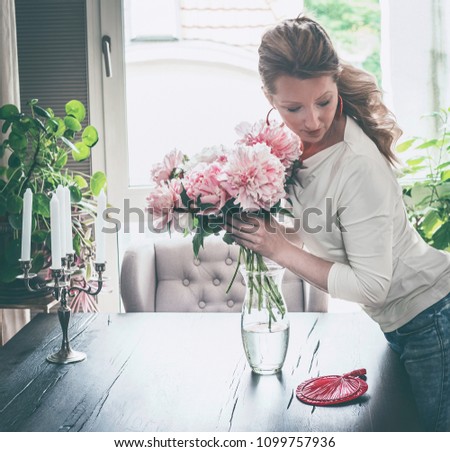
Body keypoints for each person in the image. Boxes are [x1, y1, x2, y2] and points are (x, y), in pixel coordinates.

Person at [225, 15, 450, 432]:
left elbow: (371, 286)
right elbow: (324, 224)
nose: (312, 121)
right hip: (402, 323)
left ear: (335, 80)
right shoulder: (291, 145)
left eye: (324, 101)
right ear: (268, 97)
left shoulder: (357, 165)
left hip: (432, 321)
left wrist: (279, 249)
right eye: (293, 107)